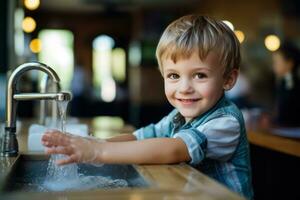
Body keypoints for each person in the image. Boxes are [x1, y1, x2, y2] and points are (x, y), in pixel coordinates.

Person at [42, 15, 253, 199]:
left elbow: (174, 150)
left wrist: (98, 151)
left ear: (228, 79)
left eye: (200, 75)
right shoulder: (177, 116)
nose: (184, 88)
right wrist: (92, 142)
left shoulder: (226, 122)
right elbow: (142, 136)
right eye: (174, 76)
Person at [271, 42, 300, 126]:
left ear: (289, 63)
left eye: (276, 62)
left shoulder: (293, 84)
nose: (273, 65)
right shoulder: (282, 82)